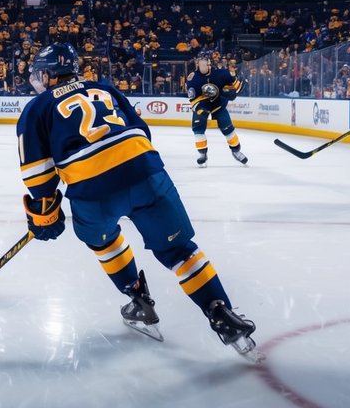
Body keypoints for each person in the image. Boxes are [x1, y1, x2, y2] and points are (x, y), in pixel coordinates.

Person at [16, 43, 259, 359]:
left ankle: (138, 299)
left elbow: (37, 172)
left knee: (105, 242)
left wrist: (45, 208)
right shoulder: (105, 88)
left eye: (38, 75)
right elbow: (141, 130)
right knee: (178, 250)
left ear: (48, 75)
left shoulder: (37, 108)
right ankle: (220, 310)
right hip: (145, 170)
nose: (35, 81)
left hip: (93, 189)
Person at [184, 50, 246, 167]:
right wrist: (199, 108)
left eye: (204, 64)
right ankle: (202, 154)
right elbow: (193, 98)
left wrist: (235, 90)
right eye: (200, 64)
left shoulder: (221, 73)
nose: (202, 66)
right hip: (202, 105)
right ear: (197, 64)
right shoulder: (192, 78)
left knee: (228, 129)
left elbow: (235, 86)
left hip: (219, 105)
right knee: (198, 129)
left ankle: (236, 151)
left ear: (209, 64)